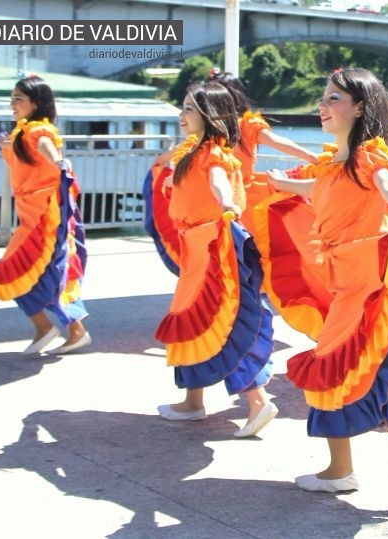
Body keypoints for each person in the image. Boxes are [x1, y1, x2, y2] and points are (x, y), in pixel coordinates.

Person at [257, 67, 388, 515]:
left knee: (365, 370)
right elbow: (317, 188)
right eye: (324, 99)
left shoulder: (370, 157)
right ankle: (339, 469)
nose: (323, 106)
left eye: (333, 99)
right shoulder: (336, 163)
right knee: (337, 371)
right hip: (343, 283)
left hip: (366, 289)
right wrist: (279, 184)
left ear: (360, 106)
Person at [154, 81, 278, 439]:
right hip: (196, 248)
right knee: (194, 321)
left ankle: (257, 400)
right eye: (184, 107)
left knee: (222, 321)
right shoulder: (193, 149)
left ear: (212, 116)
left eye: (190, 109)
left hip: (212, 248)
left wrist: (226, 202)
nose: (183, 114)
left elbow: (219, 180)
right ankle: (193, 401)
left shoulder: (214, 153)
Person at [0, 75, 91, 355]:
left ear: (35, 103)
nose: (13, 104)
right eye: (12, 98)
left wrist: (58, 161)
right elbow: (28, 157)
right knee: (48, 272)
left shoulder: (37, 130)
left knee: (26, 272)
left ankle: (47, 328)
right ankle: (73, 330)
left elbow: (45, 145)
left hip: (44, 219)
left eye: (18, 99)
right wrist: (8, 146)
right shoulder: (23, 132)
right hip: (32, 216)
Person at [211, 70, 319, 235]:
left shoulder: (247, 125)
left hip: (244, 197)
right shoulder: (210, 129)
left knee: (249, 246)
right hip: (214, 195)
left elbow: (278, 142)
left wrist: (311, 157)